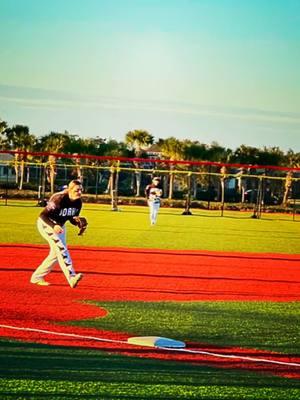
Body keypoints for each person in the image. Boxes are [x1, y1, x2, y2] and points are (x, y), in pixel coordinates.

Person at [30, 179, 86, 288]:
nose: (79, 192)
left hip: (59, 226)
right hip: (46, 224)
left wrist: (78, 223)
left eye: (81, 190)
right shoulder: (58, 199)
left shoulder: (78, 202)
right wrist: (53, 225)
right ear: (69, 190)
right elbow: (43, 215)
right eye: (76, 190)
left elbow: (71, 218)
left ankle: (36, 277)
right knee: (62, 249)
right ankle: (71, 277)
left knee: (56, 254)